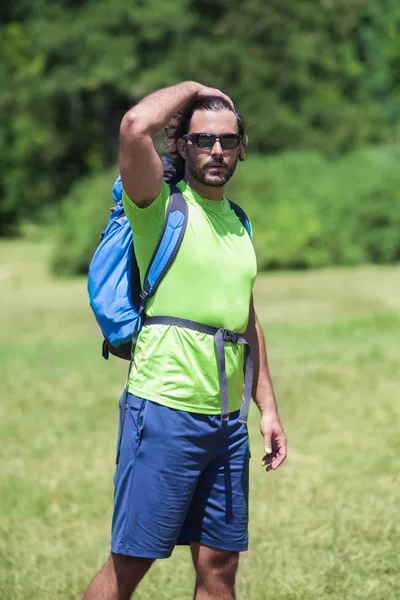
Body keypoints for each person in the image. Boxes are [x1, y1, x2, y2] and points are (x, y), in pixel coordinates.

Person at [82, 81, 287, 600]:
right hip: (163, 411)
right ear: (181, 145)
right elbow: (133, 126)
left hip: (226, 423)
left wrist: (268, 408)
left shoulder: (239, 223)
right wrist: (196, 88)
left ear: (242, 147)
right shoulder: (159, 207)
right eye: (201, 140)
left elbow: (244, 317)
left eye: (227, 140)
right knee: (129, 564)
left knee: (219, 569)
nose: (215, 150)